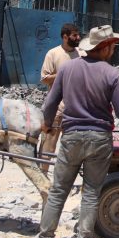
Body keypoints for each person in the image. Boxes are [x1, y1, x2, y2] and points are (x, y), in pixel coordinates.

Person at [34, 25, 119, 238]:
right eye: (112, 46)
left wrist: (47, 124)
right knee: (91, 193)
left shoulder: (67, 69)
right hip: (99, 139)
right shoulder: (112, 74)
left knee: (58, 191)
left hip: (71, 137)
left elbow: (50, 103)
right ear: (104, 48)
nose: (114, 50)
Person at [38, 23, 83, 175]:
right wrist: (64, 73)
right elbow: (44, 78)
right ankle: (43, 176)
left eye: (78, 34)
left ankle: (65, 179)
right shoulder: (53, 53)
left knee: (71, 147)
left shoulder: (81, 54)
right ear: (65, 37)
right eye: (75, 35)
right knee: (49, 145)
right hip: (56, 108)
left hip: (75, 109)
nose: (78, 38)